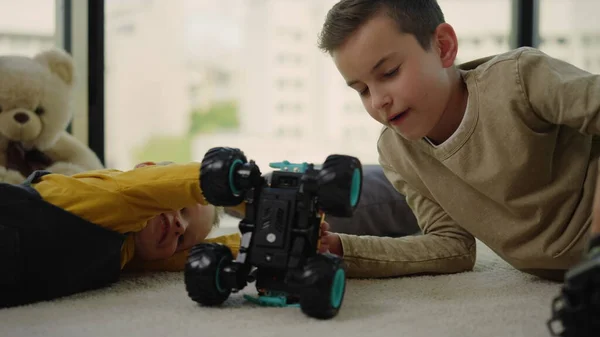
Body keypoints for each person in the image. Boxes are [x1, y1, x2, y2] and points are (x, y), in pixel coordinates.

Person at [316, 0, 600, 282]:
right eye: (362, 90)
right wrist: (342, 248)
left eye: (389, 73)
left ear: (443, 46)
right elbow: (452, 246)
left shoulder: (519, 79)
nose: (378, 101)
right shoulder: (395, 152)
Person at [0, 161, 241, 308]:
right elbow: (165, 184)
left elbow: (184, 258)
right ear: (147, 171)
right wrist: (242, 191)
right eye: (181, 208)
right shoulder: (114, 194)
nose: (180, 226)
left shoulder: (132, 251)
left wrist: (256, 246)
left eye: (182, 239)